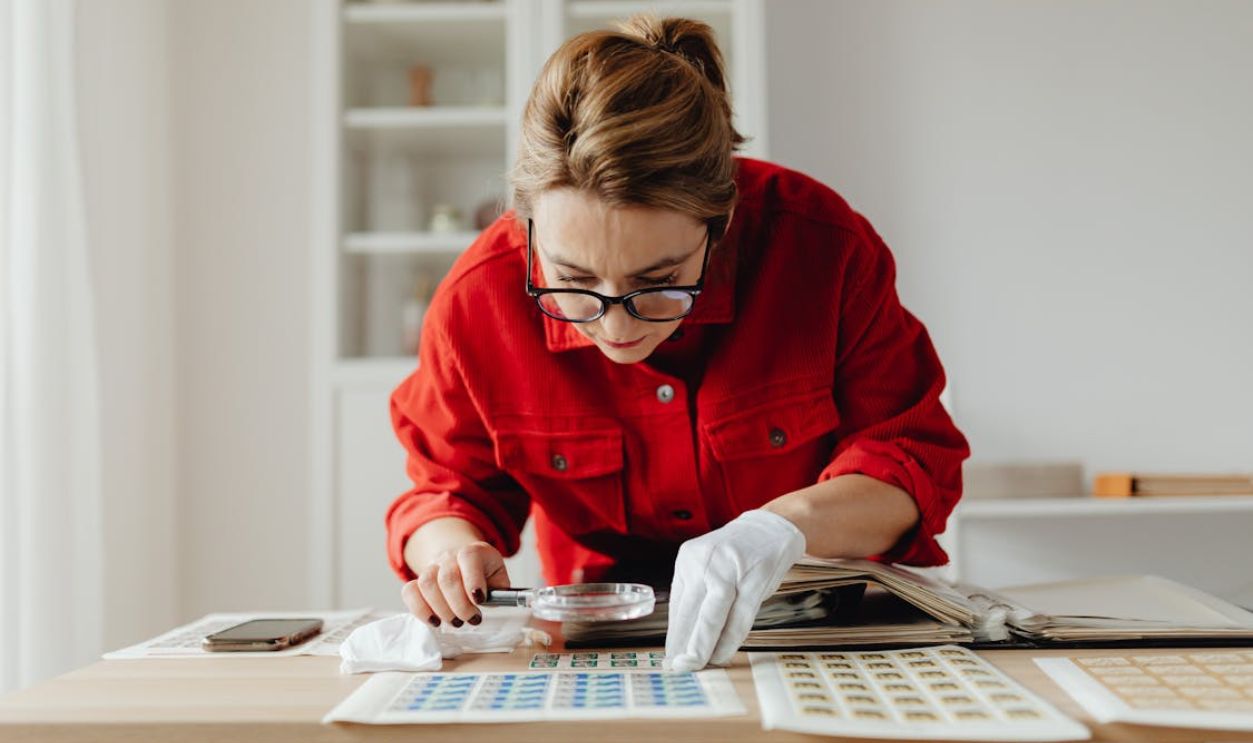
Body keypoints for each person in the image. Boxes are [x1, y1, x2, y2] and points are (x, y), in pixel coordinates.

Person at [386, 15, 969, 672]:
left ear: (718, 222)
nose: (614, 324)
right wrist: (448, 552)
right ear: (525, 221)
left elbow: (911, 459)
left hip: (813, 630)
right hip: (596, 641)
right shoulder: (476, 299)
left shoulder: (821, 249)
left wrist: (781, 527)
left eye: (657, 281)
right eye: (572, 280)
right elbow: (446, 487)